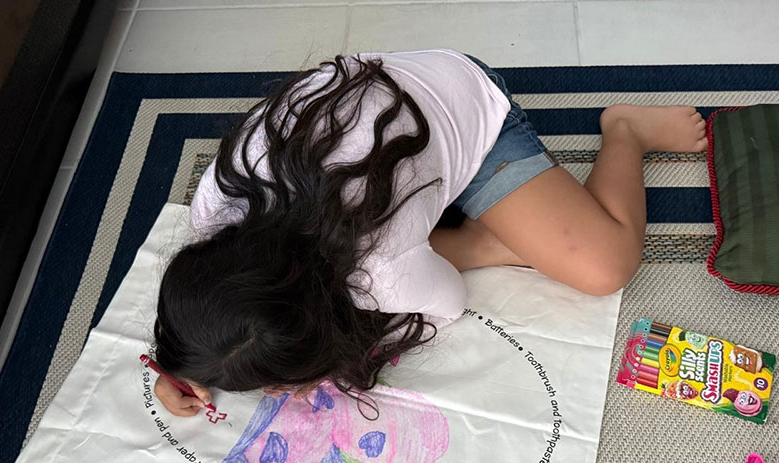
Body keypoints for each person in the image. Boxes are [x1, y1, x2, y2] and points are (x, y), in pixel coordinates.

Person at [153, 49, 707, 417]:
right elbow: (212, 312)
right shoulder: (213, 212)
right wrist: (187, 365)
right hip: (378, 102)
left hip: (464, 104)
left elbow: (448, 299)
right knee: (415, 239)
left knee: (603, 267)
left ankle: (627, 131)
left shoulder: (376, 271)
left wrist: (479, 248)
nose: (272, 396)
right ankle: (473, 232)